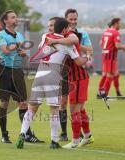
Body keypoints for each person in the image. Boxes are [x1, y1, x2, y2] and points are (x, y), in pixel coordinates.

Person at [16, 17, 89, 149]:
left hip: (39, 73)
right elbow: (78, 62)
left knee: (32, 107)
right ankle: (54, 141)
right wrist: (87, 57)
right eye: (67, 28)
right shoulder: (68, 44)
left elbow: (41, 48)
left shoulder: (45, 36)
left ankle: (22, 133)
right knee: (54, 109)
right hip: (53, 74)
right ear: (64, 29)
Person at [0, 10, 43, 144]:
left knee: (23, 103)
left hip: (17, 70)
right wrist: (18, 45)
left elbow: (24, 54)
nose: (16, 19)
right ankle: (4, 135)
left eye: (16, 17)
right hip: (4, 69)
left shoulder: (20, 35)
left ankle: (27, 134)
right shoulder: (0, 35)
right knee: (4, 102)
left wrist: (23, 54)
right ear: (5, 21)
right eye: (13, 17)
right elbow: (5, 50)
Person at [47, 8, 93, 143]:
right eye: (70, 19)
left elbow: (74, 41)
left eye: (75, 19)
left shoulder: (73, 35)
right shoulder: (54, 36)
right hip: (66, 74)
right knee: (69, 105)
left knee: (74, 108)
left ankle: (75, 140)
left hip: (78, 75)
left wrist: (58, 41)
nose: (73, 22)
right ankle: (82, 135)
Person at [98, 18, 125, 98]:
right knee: (110, 75)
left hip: (105, 55)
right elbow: (117, 46)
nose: (120, 25)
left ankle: (117, 93)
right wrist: (123, 46)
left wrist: (106, 48)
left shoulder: (107, 31)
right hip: (111, 56)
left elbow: (100, 43)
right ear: (115, 23)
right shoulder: (115, 32)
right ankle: (104, 94)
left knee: (115, 74)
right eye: (119, 23)